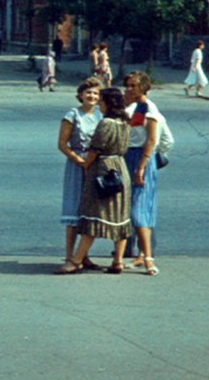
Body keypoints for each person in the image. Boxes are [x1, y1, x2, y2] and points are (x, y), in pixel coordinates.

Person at [57, 86, 133, 275]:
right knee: (120, 216)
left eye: (101, 100)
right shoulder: (124, 122)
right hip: (120, 169)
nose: (98, 102)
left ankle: (75, 260)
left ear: (107, 103)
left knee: (92, 215)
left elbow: (94, 149)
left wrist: (86, 166)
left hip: (103, 169)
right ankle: (117, 261)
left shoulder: (105, 123)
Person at [54, 78, 103, 273]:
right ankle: (69, 255)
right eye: (88, 93)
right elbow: (62, 144)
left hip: (95, 165)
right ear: (81, 95)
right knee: (74, 210)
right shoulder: (73, 115)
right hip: (77, 165)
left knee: (89, 211)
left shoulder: (100, 116)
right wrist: (80, 161)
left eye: (96, 94)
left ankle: (83, 255)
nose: (92, 97)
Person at [123, 71, 161, 276]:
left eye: (133, 86)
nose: (129, 89)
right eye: (127, 85)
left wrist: (141, 167)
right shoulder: (130, 107)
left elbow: (151, 140)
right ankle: (132, 256)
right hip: (126, 157)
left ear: (144, 87)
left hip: (142, 159)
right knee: (127, 209)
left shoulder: (150, 109)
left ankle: (147, 257)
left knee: (140, 210)